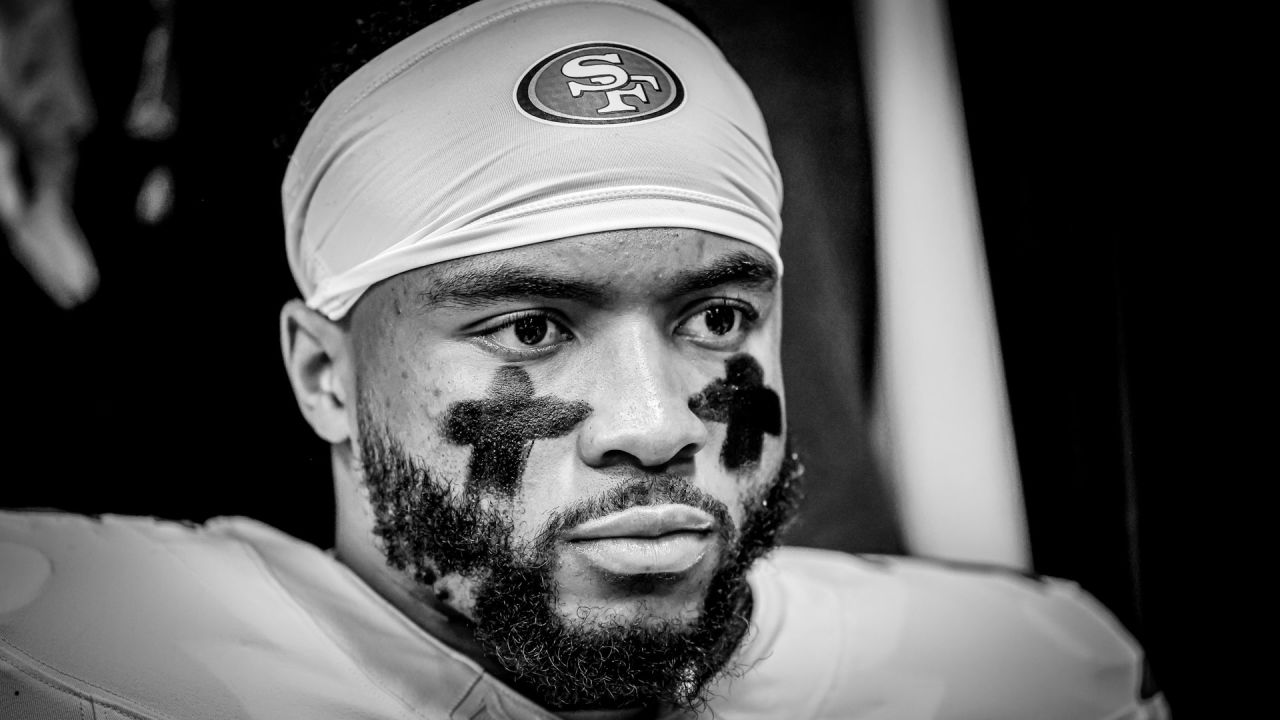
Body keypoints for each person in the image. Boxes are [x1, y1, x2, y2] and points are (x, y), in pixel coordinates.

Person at [0, 0, 1168, 718]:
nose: (653, 426)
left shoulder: (1017, 677)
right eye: (530, 329)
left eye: (716, 318)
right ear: (322, 377)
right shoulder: (65, 659)